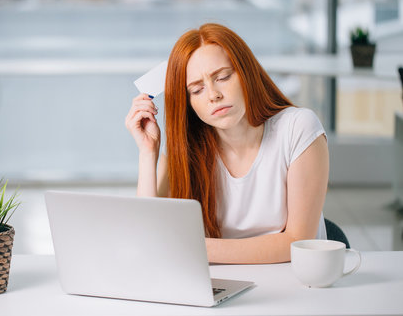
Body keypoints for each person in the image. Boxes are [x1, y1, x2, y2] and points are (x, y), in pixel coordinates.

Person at [125, 23, 329, 264]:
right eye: (197, 90)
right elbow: (147, 237)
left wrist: (191, 246)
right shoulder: (186, 152)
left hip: (294, 284)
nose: (213, 95)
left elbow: (298, 241)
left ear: (246, 72)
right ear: (187, 102)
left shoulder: (298, 128)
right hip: (220, 286)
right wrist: (148, 153)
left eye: (222, 77)